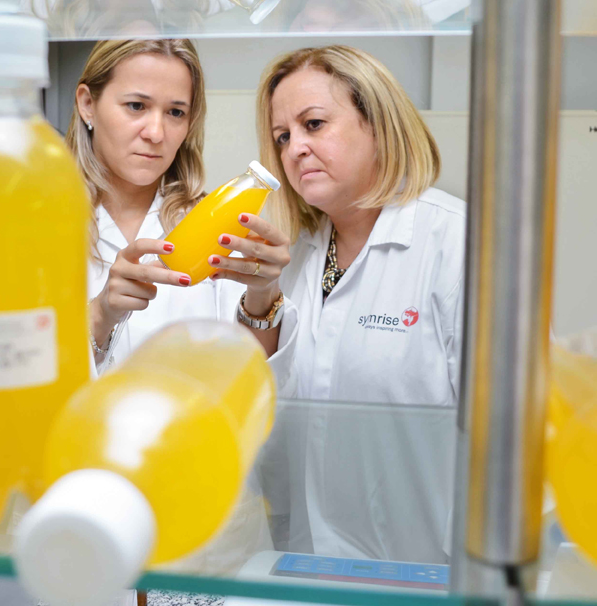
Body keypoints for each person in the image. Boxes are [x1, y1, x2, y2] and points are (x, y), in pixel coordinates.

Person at [254, 45, 465, 563]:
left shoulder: (458, 241)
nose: (295, 148)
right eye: (283, 137)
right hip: (306, 564)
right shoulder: (298, 257)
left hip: (429, 575)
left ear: (377, 124)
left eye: (314, 124)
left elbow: (515, 437)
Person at [65, 38, 295, 382]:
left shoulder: (214, 225)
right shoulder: (35, 225)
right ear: (87, 104)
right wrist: (100, 315)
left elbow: (252, 382)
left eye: (175, 112)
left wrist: (263, 297)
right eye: (136, 106)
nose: (156, 133)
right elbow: (12, 382)